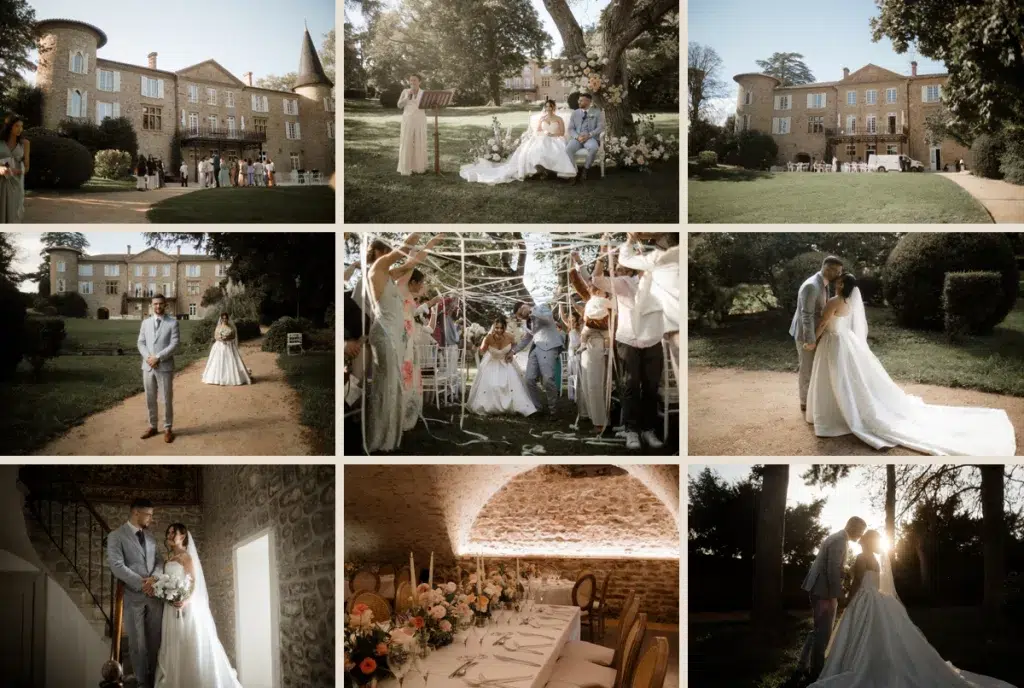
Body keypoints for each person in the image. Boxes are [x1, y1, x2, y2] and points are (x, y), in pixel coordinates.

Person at [805, 272, 1016, 455]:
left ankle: (833, 416)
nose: (836, 283)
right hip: (845, 340)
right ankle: (839, 411)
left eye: (839, 281)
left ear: (842, 285)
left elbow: (823, 322)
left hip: (833, 341)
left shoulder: (833, 301)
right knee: (844, 377)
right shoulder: (849, 303)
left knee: (834, 376)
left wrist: (812, 340)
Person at [805, 528, 1016, 687]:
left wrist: (848, 600)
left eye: (862, 540)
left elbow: (857, 583)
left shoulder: (862, 558)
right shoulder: (876, 561)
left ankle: (853, 666)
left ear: (865, 542)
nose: (859, 542)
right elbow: (875, 582)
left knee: (861, 633)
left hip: (864, 598)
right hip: (878, 598)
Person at [593, 235, 666, 450]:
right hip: (629, 340)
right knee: (631, 385)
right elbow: (597, 280)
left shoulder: (659, 282)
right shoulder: (624, 283)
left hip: (653, 339)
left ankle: (648, 430)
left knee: (651, 387)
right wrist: (602, 252)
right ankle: (632, 431)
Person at [154, 523, 244, 687]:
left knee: (188, 641)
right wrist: (166, 594)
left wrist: (184, 601)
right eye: (168, 532)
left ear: (182, 537)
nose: (169, 534)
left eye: (174, 532)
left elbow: (193, 582)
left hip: (185, 605)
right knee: (173, 643)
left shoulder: (186, 557)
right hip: (170, 607)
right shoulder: (168, 558)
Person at [365, 234, 429, 452]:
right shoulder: (377, 267)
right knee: (388, 385)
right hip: (385, 334)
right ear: (378, 252)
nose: (388, 254)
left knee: (392, 384)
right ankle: (382, 438)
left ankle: (388, 434)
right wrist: (420, 230)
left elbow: (412, 263)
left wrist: (434, 242)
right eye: (386, 250)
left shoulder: (388, 274)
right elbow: (405, 248)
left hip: (390, 333)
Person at [797, 517, 867, 680]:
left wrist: (845, 572)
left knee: (818, 629)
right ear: (853, 527)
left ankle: (803, 664)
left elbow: (835, 567)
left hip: (819, 588)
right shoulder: (840, 540)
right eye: (860, 531)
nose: (861, 535)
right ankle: (816, 671)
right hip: (824, 591)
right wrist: (839, 595)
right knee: (824, 632)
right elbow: (832, 570)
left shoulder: (838, 538)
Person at [107, 499, 164, 688]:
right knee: (137, 645)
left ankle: (155, 681)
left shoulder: (150, 537)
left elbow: (159, 561)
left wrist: (154, 579)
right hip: (133, 597)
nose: (151, 518)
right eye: (148, 514)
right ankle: (141, 683)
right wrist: (142, 584)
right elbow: (117, 566)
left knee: (156, 642)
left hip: (155, 598)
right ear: (136, 513)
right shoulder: (116, 536)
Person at [460, 99, 576, 184]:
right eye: (546, 107)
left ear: (554, 107)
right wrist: (543, 133)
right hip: (543, 137)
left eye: (550, 107)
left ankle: (550, 170)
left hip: (555, 138)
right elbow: (539, 130)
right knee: (537, 145)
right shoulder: (543, 118)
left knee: (551, 146)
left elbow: (561, 132)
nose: (548, 109)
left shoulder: (559, 119)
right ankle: (541, 169)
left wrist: (552, 134)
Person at [791, 256, 843, 413]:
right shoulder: (812, 286)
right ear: (828, 269)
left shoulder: (823, 284)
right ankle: (804, 402)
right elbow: (806, 315)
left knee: (814, 366)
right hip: (805, 335)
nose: (839, 275)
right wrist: (810, 339)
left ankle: (812, 399)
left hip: (815, 332)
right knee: (806, 368)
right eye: (838, 272)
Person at [468, 316, 538, 416]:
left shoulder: (510, 336)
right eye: (497, 327)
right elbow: (481, 351)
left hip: (506, 363)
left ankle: (515, 406)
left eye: (501, 328)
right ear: (494, 327)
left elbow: (514, 346)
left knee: (512, 385)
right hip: (492, 364)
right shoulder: (488, 338)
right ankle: (491, 407)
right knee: (493, 385)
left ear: (505, 327)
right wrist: (475, 344)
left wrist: (510, 353)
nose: (499, 330)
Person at [137, 294, 180, 443]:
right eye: (155, 304)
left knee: (166, 399)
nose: (158, 306)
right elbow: (140, 343)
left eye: (161, 304)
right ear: (151, 305)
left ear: (165, 305)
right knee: (150, 398)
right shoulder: (145, 323)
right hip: (148, 367)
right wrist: (149, 358)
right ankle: (152, 426)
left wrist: (158, 357)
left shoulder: (172, 323)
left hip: (165, 367)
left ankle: (168, 428)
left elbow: (174, 345)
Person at [511, 299, 564, 415]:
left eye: (520, 314)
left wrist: (531, 311)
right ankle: (536, 407)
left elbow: (548, 318)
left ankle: (553, 409)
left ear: (523, 306)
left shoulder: (541, 308)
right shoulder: (526, 323)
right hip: (536, 348)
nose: (521, 318)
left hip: (549, 345)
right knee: (529, 378)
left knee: (548, 379)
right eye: (519, 317)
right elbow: (527, 338)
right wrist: (513, 351)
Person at [200, 313, 252, 385]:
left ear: (228, 319)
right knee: (217, 361)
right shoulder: (218, 327)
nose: (224, 320)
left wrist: (227, 338)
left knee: (231, 360)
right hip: (220, 345)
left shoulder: (231, 327)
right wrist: (221, 338)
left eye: (226, 318)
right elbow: (215, 336)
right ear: (221, 319)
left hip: (229, 345)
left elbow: (233, 336)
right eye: (223, 318)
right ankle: (218, 378)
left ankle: (233, 377)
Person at [565, 93, 604, 183]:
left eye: (581, 100)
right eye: (579, 100)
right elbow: (570, 129)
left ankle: (586, 169)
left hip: (590, 138)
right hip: (577, 138)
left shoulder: (597, 112)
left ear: (588, 101)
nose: (579, 102)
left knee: (594, 148)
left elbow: (600, 127)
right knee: (568, 149)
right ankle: (574, 172)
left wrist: (589, 135)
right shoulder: (575, 113)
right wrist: (577, 137)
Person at [0, 114, 29, 223]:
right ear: (9, 126)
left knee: (14, 210)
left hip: (16, 181)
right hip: (1, 180)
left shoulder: (25, 143)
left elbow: (27, 166)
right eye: (17, 126)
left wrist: (19, 171)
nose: (20, 129)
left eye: (21, 126)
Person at [397, 73, 428, 176]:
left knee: (419, 141)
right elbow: (399, 105)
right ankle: (406, 168)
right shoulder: (405, 91)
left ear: (420, 82)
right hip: (408, 119)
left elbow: (427, 105)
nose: (412, 82)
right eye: (411, 80)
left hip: (420, 119)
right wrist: (407, 98)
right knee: (407, 141)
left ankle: (419, 167)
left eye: (415, 80)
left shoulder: (424, 93)